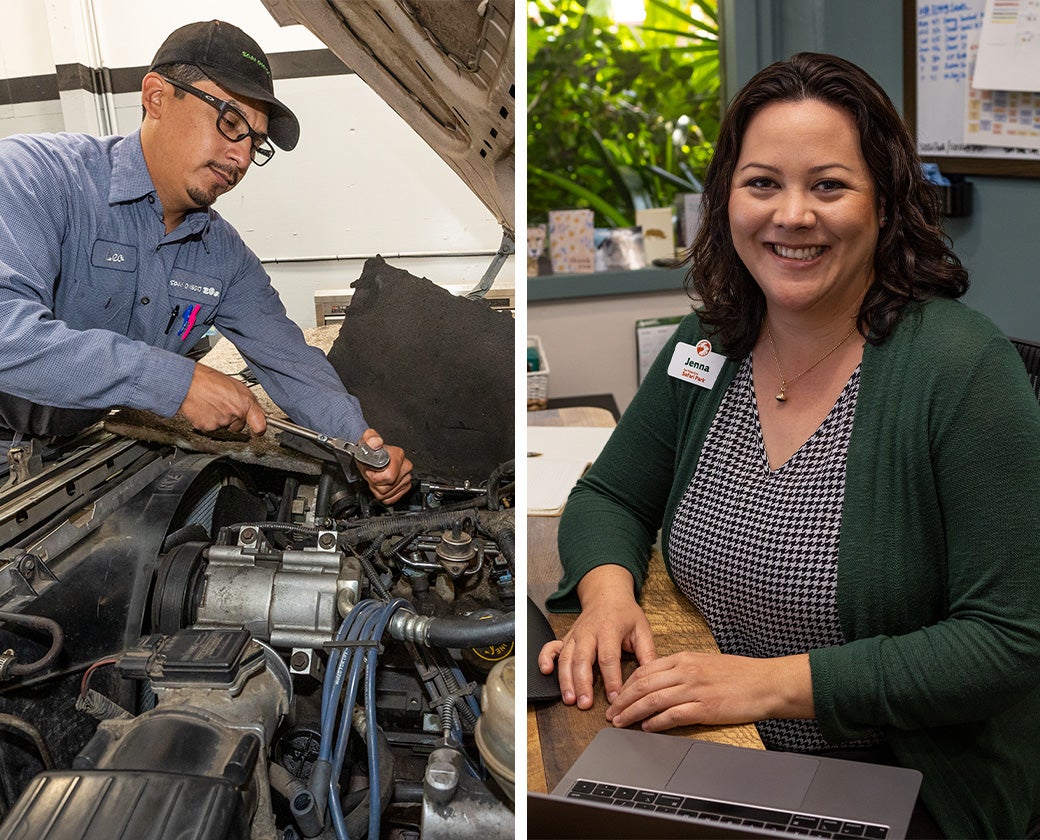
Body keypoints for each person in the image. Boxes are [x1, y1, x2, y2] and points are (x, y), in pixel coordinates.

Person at [538, 52, 1040, 838]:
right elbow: (612, 494)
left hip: (900, 778)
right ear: (726, 199)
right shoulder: (707, 345)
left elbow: (1007, 640)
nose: (792, 215)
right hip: (714, 740)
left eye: (829, 185)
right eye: (763, 182)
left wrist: (769, 687)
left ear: (885, 203)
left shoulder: (961, 366)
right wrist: (606, 597)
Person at [0, 19, 412, 503]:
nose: (239, 156)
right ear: (156, 97)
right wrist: (172, 380)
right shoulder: (35, 177)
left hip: (83, 455)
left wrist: (360, 444)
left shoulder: (225, 257)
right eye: (230, 122)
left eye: (255, 143)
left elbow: (291, 364)